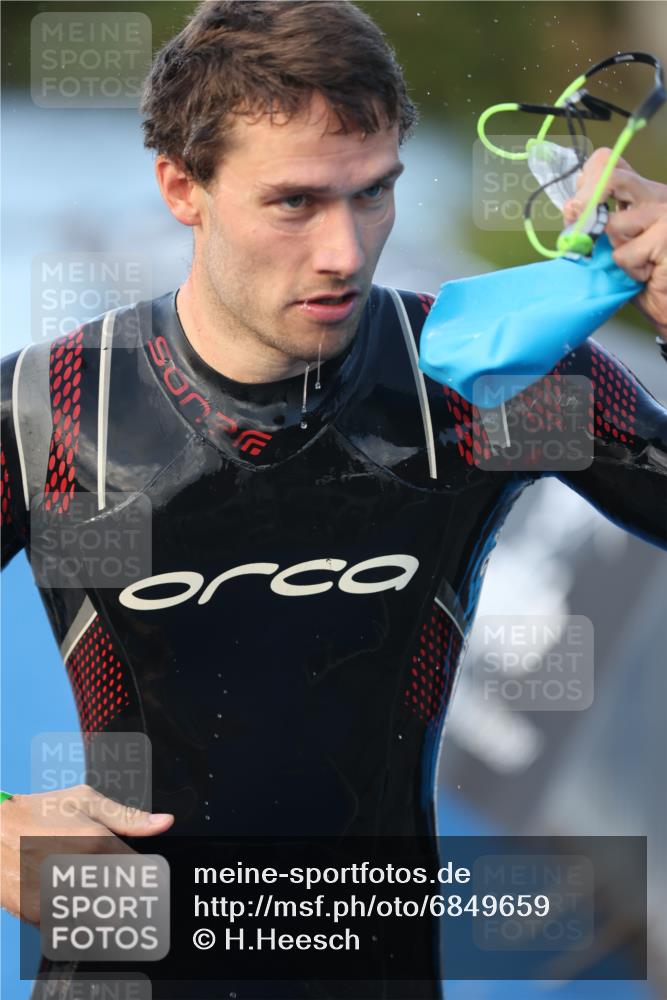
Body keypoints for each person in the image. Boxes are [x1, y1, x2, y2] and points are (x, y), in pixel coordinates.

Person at [1, 2, 666, 998]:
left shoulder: (480, 385)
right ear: (183, 187)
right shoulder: (50, 407)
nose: (346, 253)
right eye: (295, 203)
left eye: (373, 196)